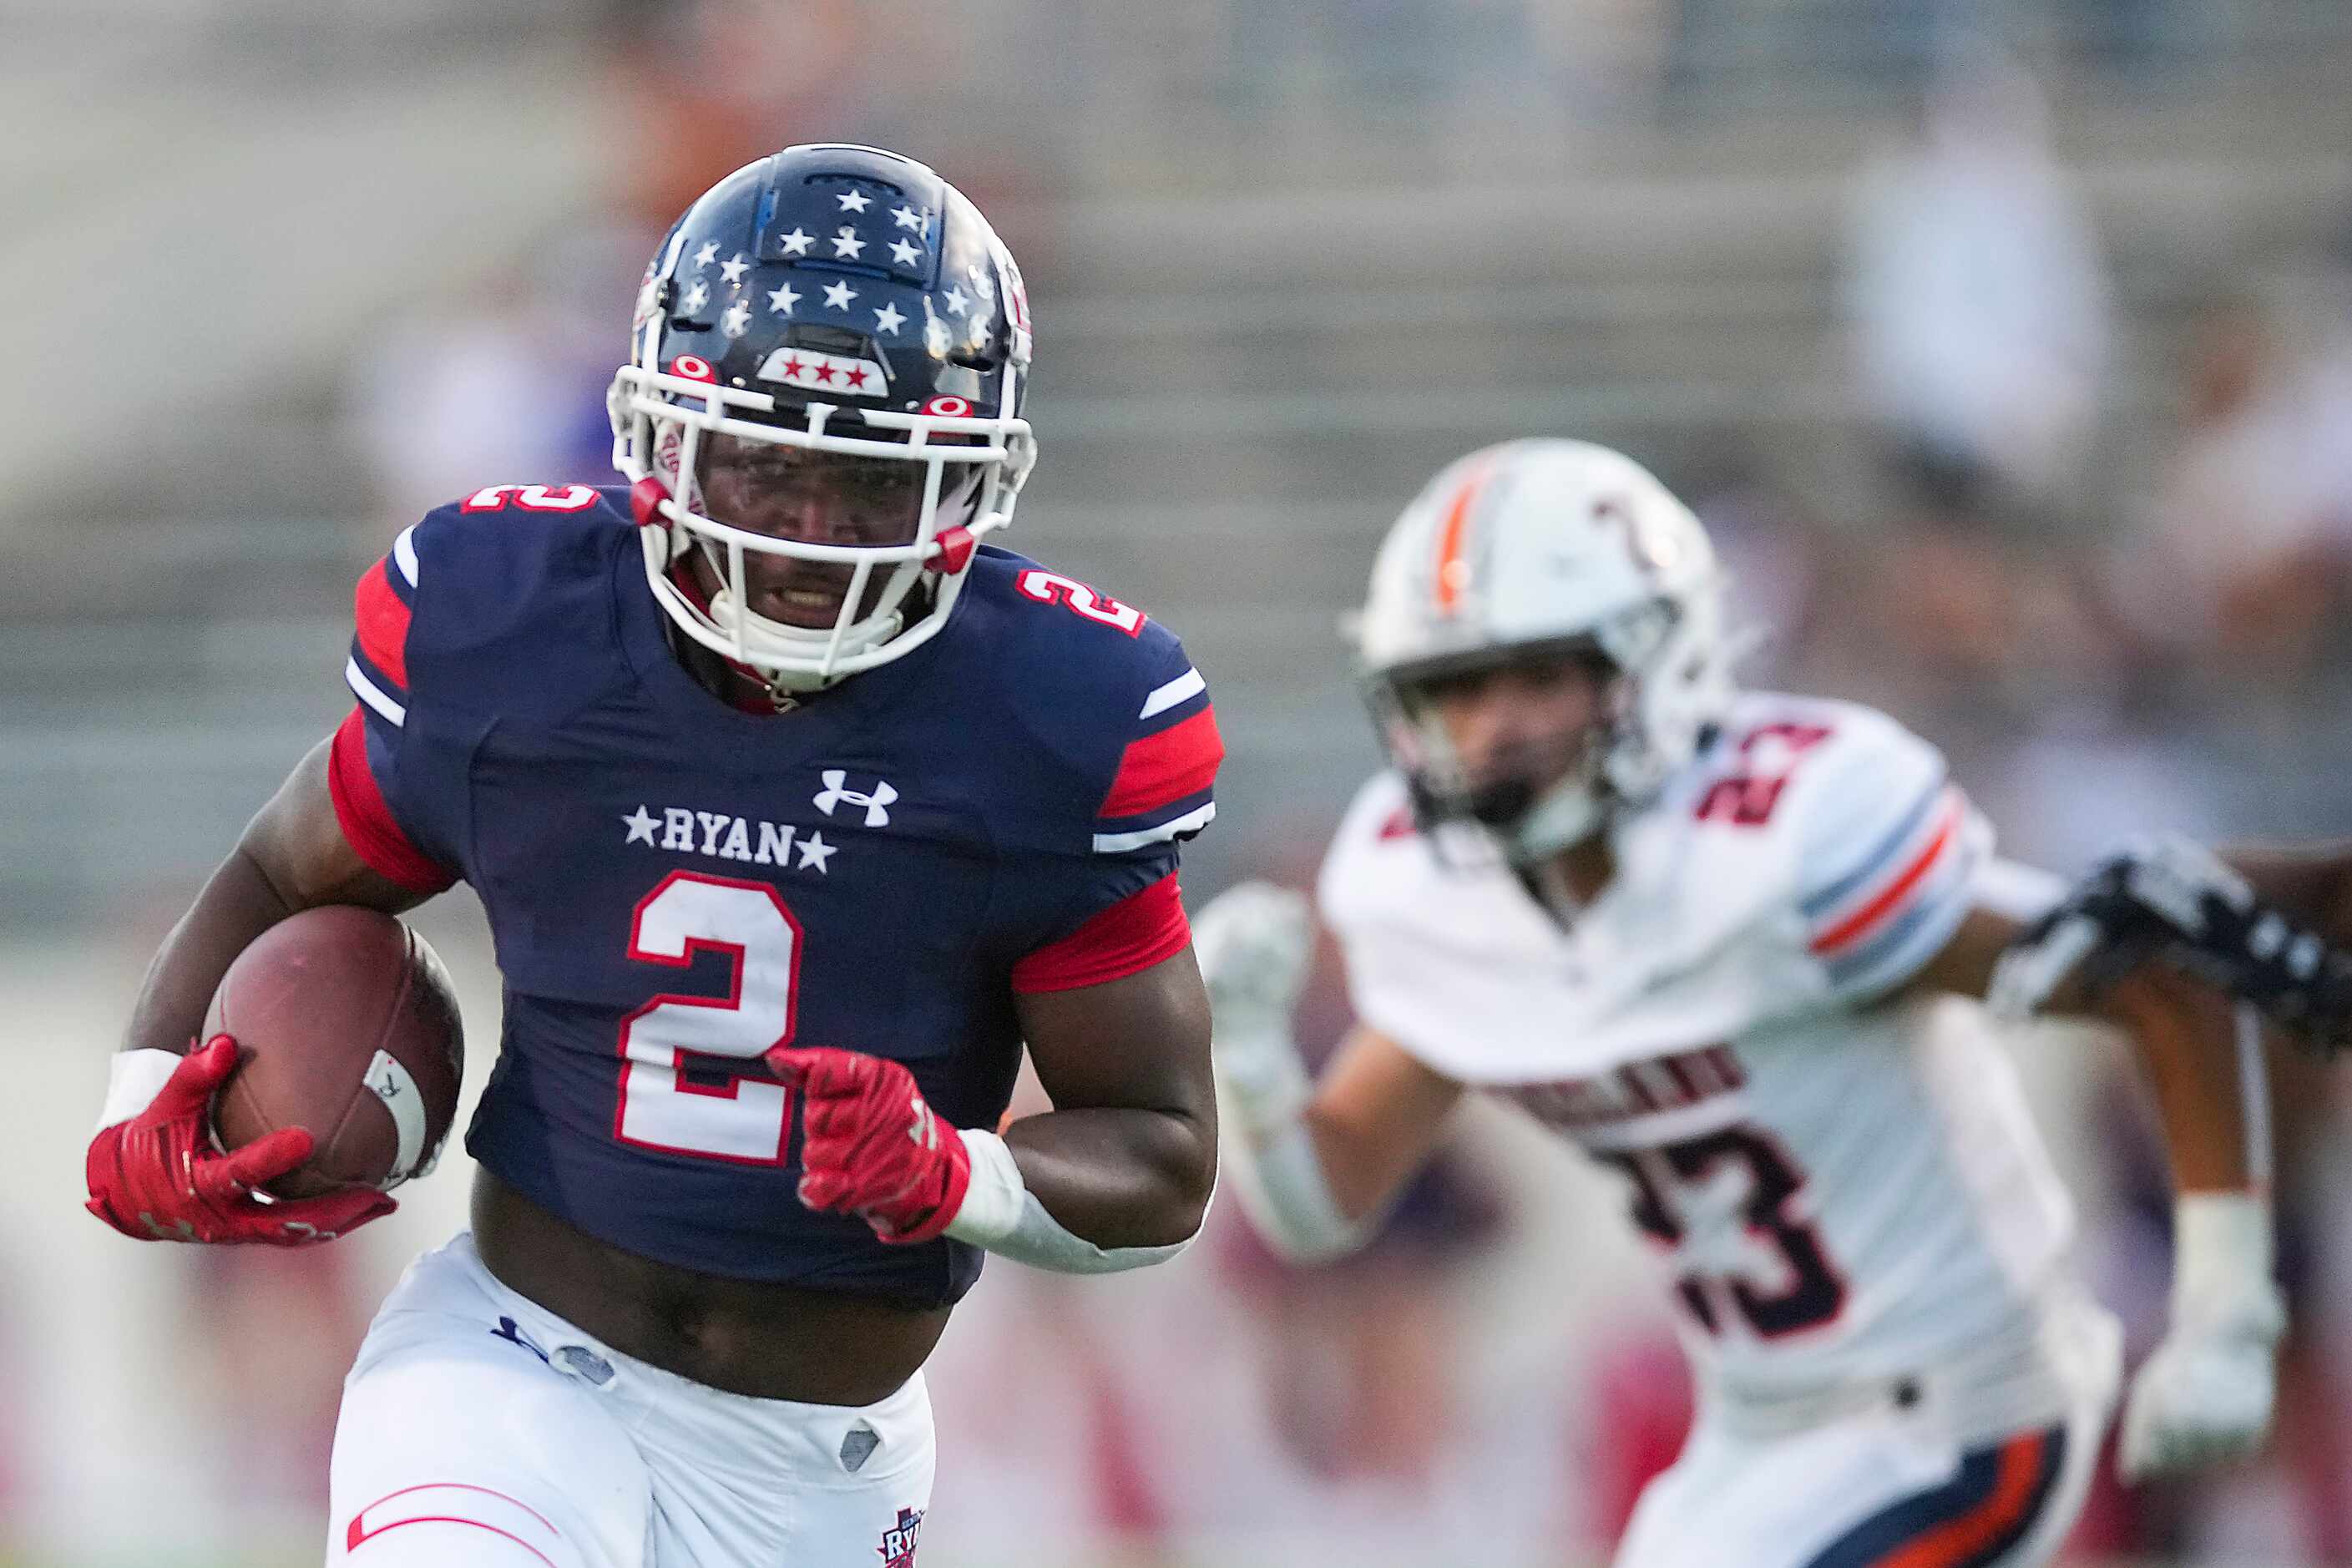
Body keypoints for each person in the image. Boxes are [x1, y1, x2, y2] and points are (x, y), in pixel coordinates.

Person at [82, 144, 1224, 1567]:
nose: (807, 536)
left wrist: (954, 1169)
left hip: (820, 1464)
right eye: (762, 465)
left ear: (967, 485)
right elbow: (285, 868)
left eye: (864, 486)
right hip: (509, 1364)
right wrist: (144, 1092)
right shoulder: (521, 632)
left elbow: (1163, 1161)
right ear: (663, 437)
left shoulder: (1052, 723)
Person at [1195, 438, 2344, 1567]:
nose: (1492, 727)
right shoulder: (1443, 901)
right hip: (1754, 1432)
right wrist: (1248, 1053)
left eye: (1537, 675)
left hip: (1961, 1404)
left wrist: (2225, 1308)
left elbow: (2156, 978)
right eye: (1454, 688)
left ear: (1653, 662)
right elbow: (1321, 1198)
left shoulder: (1782, 845)